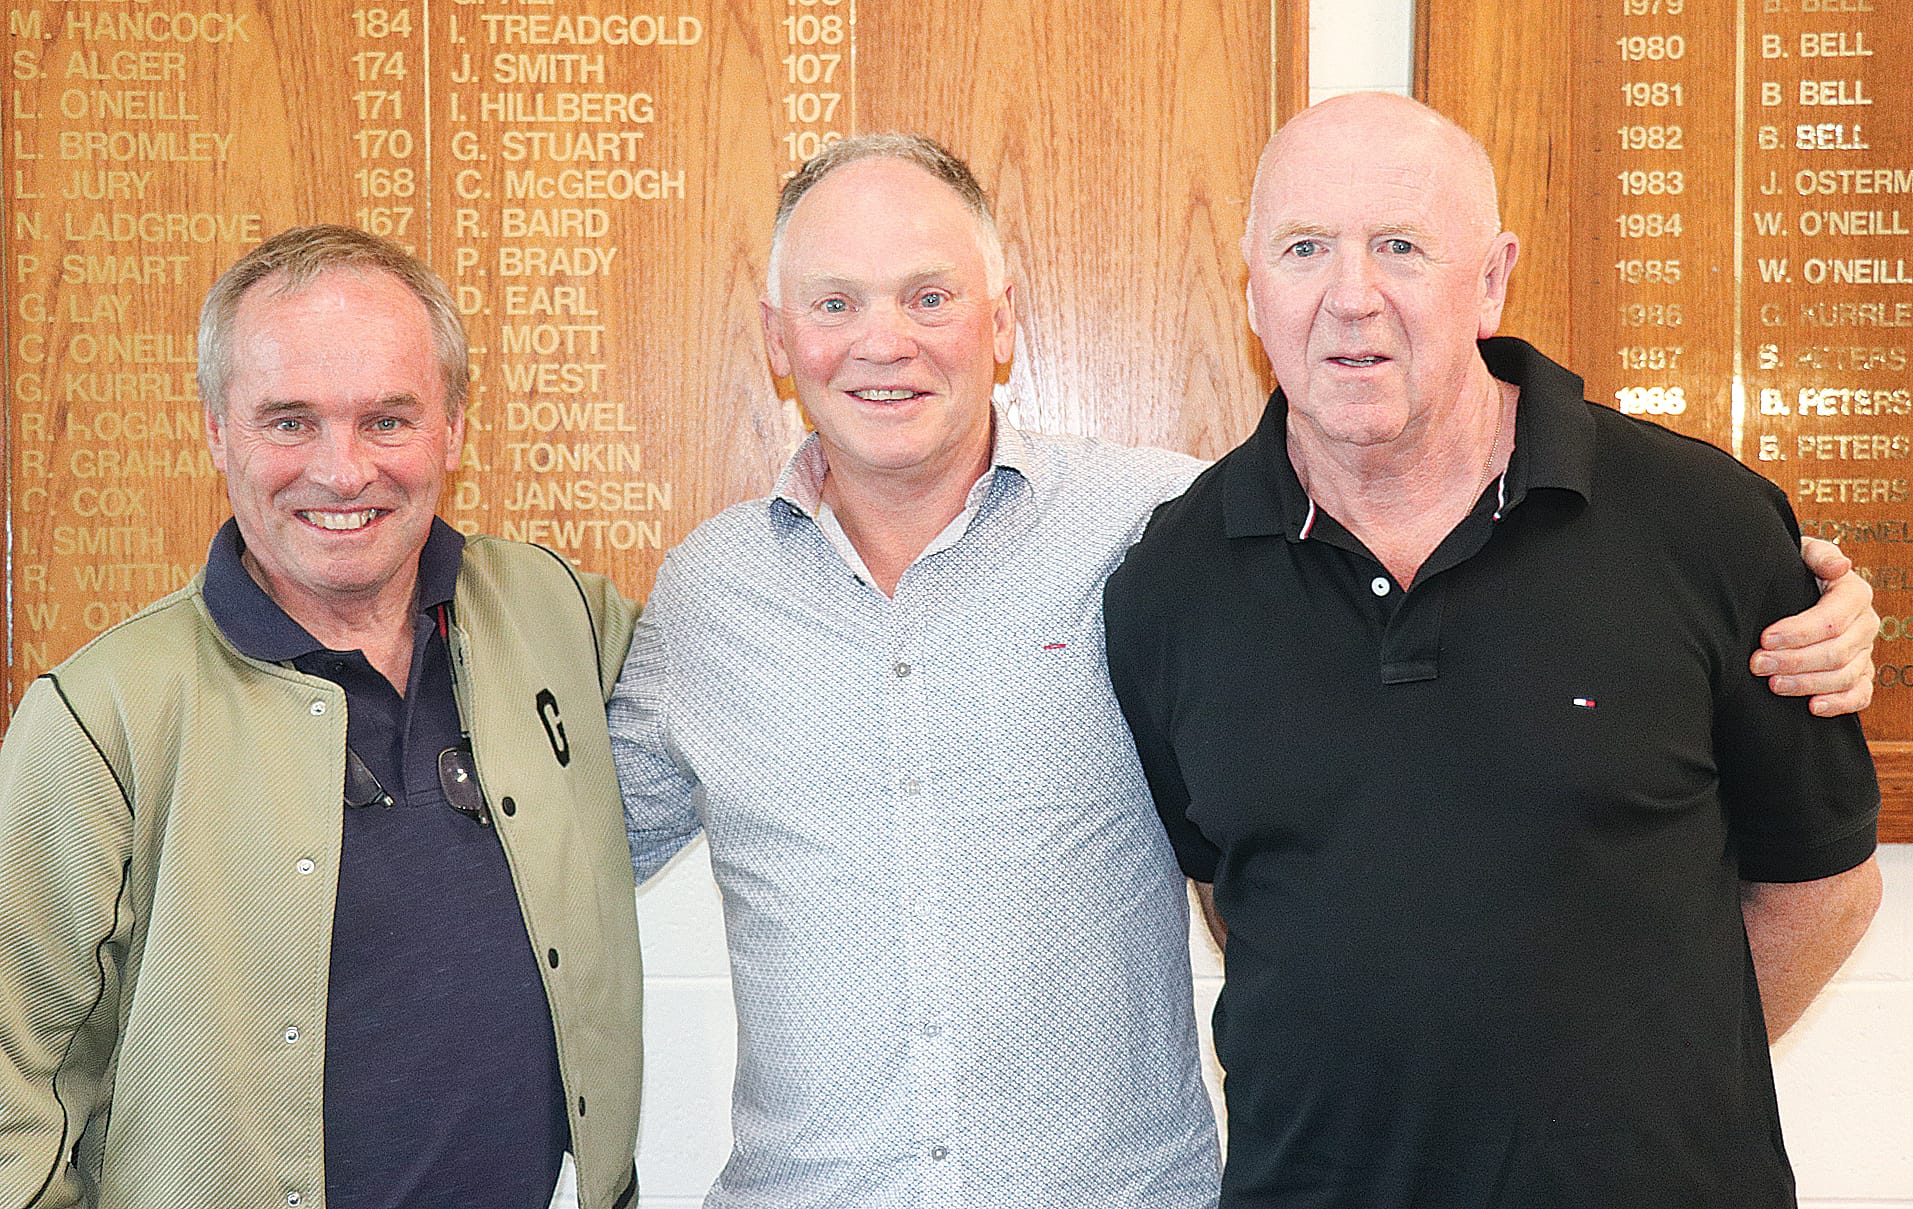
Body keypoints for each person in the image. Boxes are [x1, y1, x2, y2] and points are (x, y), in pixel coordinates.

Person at [608, 134, 1878, 1207]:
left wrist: (1820, 613)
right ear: (779, 339)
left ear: (1003, 322)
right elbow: (551, 845)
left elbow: (1809, 880)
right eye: (833, 304)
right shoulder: (709, 600)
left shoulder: (1151, 535)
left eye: (931, 296)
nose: (882, 342)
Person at [1102, 93, 1885, 1209]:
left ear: (1490, 279)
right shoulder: (1166, 584)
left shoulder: (1698, 518)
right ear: (1250, 284)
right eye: (1303, 247)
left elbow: (1820, 887)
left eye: (1400, 246)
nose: (1349, 295)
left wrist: (1630, 1087)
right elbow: (1232, 890)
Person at [0, 226, 644, 1209]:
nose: (342, 473)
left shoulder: (557, 614)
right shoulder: (101, 720)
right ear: (218, 430)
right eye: (289, 422)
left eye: (388, 420)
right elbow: (15, 1075)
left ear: (454, 430)